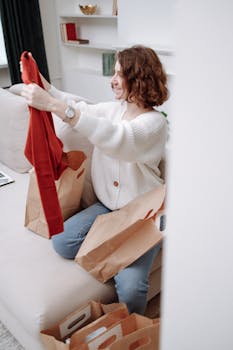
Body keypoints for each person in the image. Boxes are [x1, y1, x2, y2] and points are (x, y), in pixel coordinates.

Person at [21, 45, 168, 315]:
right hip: (108, 208)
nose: (112, 80)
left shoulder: (155, 124)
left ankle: (130, 322)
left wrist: (53, 105)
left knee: (131, 285)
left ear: (139, 78)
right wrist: (41, 83)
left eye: (120, 74)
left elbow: (119, 139)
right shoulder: (113, 109)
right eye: (113, 73)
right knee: (62, 243)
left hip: (142, 214)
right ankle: (126, 250)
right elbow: (79, 107)